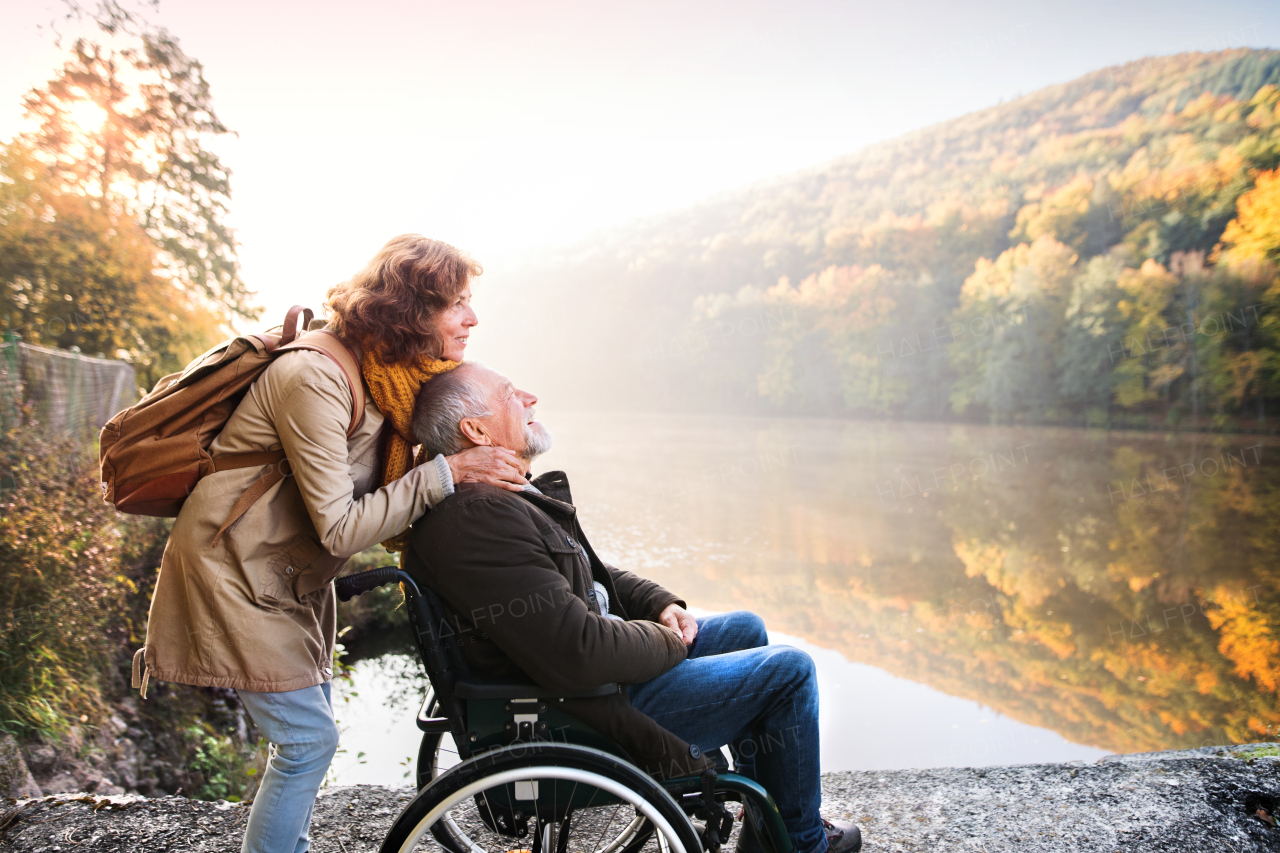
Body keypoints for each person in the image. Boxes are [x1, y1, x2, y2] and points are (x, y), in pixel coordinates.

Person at [138, 236, 529, 853]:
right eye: (457, 303)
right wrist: (449, 473)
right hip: (235, 571)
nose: (472, 318)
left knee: (307, 730)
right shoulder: (315, 377)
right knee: (305, 742)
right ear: (410, 312)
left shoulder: (392, 381)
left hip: (287, 574)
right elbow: (341, 527)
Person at [403, 362, 862, 853]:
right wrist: (668, 642)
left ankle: (769, 824)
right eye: (512, 394)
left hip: (594, 679)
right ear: (475, 430)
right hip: (586, 709)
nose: (531, 397)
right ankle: (799, 842)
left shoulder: (498, 497)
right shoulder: (478, 520)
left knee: (745, 629)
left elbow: (587, 573)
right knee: (789, 674)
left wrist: (659, 604)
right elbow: (580, 651)